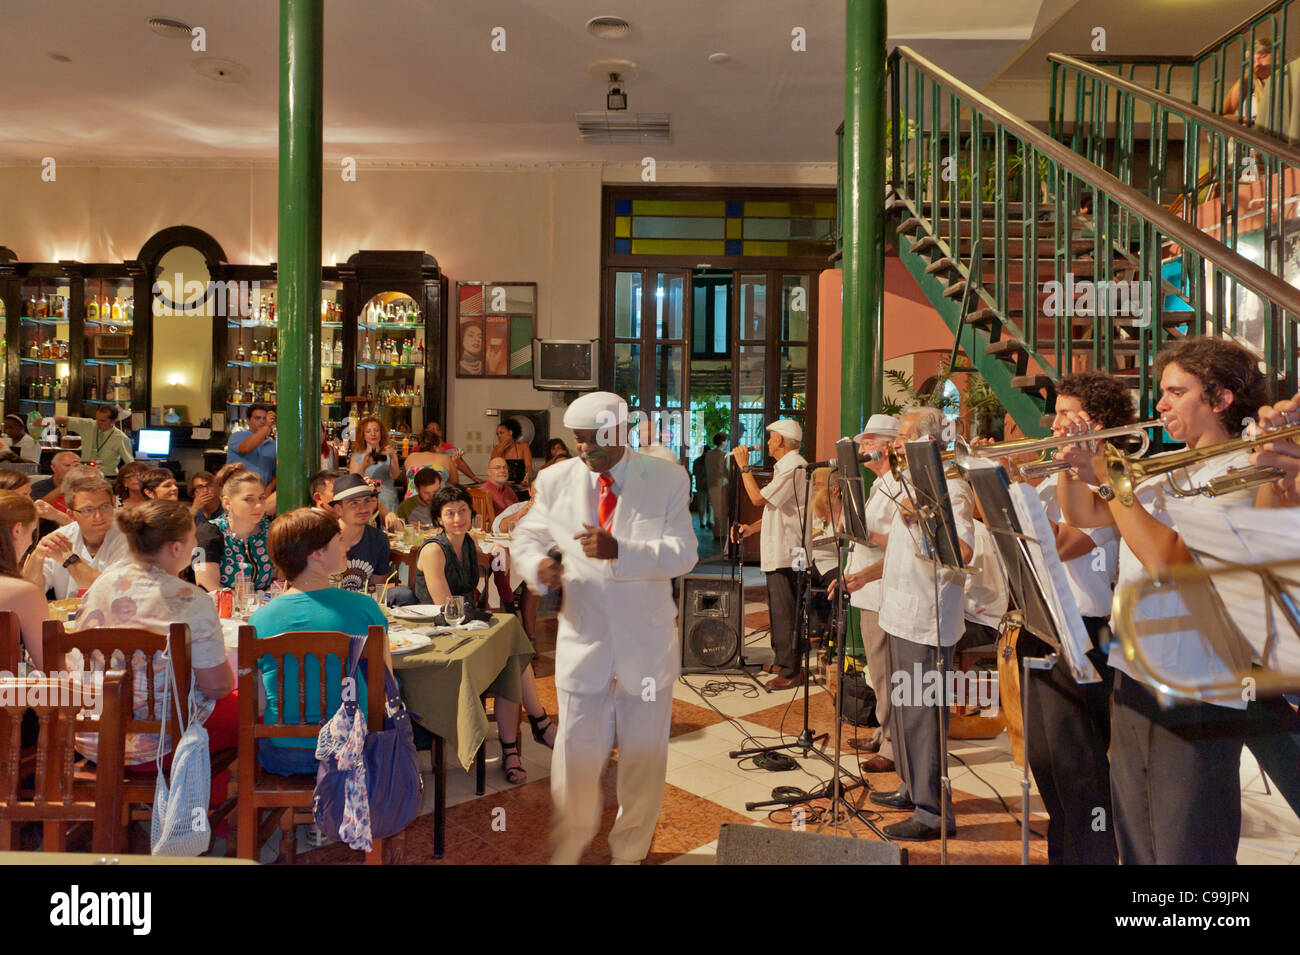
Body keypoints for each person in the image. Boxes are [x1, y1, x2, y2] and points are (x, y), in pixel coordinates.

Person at [1055, 336, 1266, 864]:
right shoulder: (1171, 466)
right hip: (1136, 670)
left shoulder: (1243, 470)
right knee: (1140, 840)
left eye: (1176, 392)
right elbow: (1088, 516)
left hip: (1196, 686)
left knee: (1187, 846)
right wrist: (1075, 463)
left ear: (1219, 400)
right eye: (1162, 392)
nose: (1160, 405)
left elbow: (1170, 561)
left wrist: (1111, 478)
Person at [513, 391, 698, 864]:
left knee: (643, 753)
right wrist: (539, 566)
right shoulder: (555, 479)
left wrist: (623, 551)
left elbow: (684, 552)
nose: (583, 452)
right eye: (578, 442)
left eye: (593, 443)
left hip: (647, 638)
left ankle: (630, 851)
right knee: (574, 747)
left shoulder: (665, 477)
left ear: (619, 433)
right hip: (583, 633)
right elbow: (528, 535)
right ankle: (570, 845)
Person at [856, 406, 975, 841]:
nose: (894, 444)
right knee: (906, 714)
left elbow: (962, 552)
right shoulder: (911, 482)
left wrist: (923, 516)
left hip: (928, 621)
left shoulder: (952, 488)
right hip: (900, 613)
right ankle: (910, 787)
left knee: (924, 717)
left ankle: (933, 812)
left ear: (927, 441)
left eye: (904, 436)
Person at [73, 500, 237, 807]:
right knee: (245, 706)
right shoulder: (190, 599)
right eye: (193, 540)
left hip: (90, 734)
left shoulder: (101, 585)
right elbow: (218, 687)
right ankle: (200, 818)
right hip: (159, 743)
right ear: (176, 548)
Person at [415, 484, 556, 784]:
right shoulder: (432, 550)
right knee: (510, 651)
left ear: (471, 513)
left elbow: (473, 595)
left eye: (462, 511)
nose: (457, 518)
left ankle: (516, 746)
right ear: (439, 519)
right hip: (435, 636)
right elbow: (444, 607)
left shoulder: (469, 544)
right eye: (449, 513)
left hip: (464, 628)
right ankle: (536, 726)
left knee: (512, 655)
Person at [247, 508, 391, 776]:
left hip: (284, 752)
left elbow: (259, 704)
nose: (346, 545)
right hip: (353, 751)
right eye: (338, 540)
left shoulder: (260, 619)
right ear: (317, 554)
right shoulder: (364, 608)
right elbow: (382, 687)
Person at [837, 415, 901, 771]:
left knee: (885, 671)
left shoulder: (897, 485)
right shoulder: (878, 485)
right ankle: (882, 732)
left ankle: (892, 745)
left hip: (881, 589)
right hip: (867, 587)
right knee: (876, 672)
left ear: (888, 446)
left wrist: (860, 534)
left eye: (867, 443)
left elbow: (900, 543)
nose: (862, 451)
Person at [730, 419, 809, 688]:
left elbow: (757, 499)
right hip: (782, 547)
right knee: (778, 609)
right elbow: (778, 511)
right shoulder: (786, 467)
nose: (767, 442)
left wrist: (744, 467)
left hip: (789, 551)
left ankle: (790, 671)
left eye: (771, 437)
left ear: (781, 441)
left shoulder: (794, 466)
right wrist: (751, 529)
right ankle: (784, 660)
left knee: (786, 610)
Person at [22, 471, 129, 599]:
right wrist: (37, 556)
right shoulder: (60, 536)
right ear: (71, 514)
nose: (98, 516)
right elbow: (30, 593)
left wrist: (69, 559)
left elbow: (111, 591)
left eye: (104, 507)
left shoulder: (130, 537)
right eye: (88, 510)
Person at [194, 466, 274, 593]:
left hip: (266, 609)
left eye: (261, 497)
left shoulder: (272, 531)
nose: (259, 505)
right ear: (227, 502)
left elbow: (283, 580)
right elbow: (207, 588)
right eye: (249, 499)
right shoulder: (206, 533)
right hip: (221, 611)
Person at [326, 473, 400, 597]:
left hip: (362, 605)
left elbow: (376, 590)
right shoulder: (321, 538)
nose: (363, 508)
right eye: (354, 503)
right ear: (338, 509)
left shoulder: (379, 540)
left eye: (367, 501)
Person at [0, 491, 47, 669]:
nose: (30, 542)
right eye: (32, 533)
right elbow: (49, 665)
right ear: (17, 530)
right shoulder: (24, 592)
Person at [53, 406, 133, 476]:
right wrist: (45, 421)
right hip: (84, 476)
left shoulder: (121, 438)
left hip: (107, 478)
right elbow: (64, 419)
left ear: (113, 421)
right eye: (96, 419)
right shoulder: (89, 425)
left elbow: (131, 464)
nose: (97, 423)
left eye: (102, 421)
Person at [348, 416, 400, 513]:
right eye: (368, 431)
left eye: (376, 430)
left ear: (381, 433)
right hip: (366, 501)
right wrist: (364, 463)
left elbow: (395, 475)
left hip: (387, 499)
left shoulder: (388, 453)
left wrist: (393, 456)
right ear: (363, 435)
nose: (373, 434)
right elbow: (354, 480)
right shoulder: (357, 456)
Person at [225, 403, 277, 489]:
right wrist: (267, 426)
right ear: (248, 421)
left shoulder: (273, 445)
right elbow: (246, 448)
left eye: (265, 418)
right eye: (257, 418)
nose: (262, 421)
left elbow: (276, 473)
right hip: (237, 491)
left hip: (261, 494)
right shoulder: (237, 436)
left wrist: (268, 489)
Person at [490, 420, 533, 493]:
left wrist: (527, 476)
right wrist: (501, 449)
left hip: (521, 486)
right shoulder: (496, 448)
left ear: (510, 432)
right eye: (497, 434)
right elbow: (492, 467)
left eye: (502, 433)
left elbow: (528, 466)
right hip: (503, 487)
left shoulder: (523, 446)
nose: (499, 436)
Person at [703, 433, 729, 545]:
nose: (727, 442)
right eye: (726, 440)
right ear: (723, 442)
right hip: (722, 485)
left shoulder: (708, 455)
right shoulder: (725, 455)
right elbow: (727, 471)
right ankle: (721, 533)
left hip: (711, 484)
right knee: (723, 510)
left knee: (715, 509)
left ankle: (717, 532)